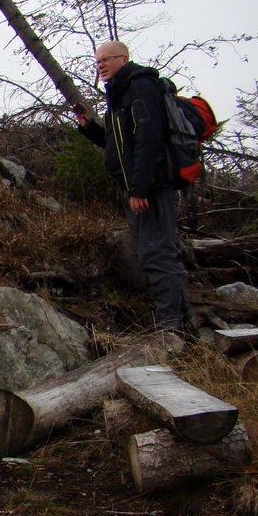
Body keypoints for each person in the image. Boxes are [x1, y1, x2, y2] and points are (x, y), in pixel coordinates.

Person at [74, 40, 193, 334]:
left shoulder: (140, 86)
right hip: (136, 187)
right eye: (97, 61)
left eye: (106, 59)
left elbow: (149, 139)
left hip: (149, 187)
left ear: (124, 58)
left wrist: (140, 188)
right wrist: (90, 127)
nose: (100, 65)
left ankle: (169, 331)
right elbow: (119, 146)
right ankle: (185, 328)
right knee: (153, 254)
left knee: (157, 255)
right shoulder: (121, 93)